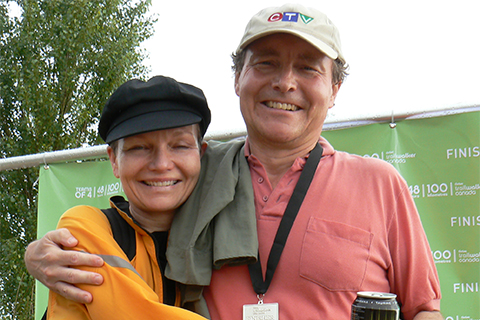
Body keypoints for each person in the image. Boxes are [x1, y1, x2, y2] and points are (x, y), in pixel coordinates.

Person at [25, 4, 443, 319]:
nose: (285, 82)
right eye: (266, 64)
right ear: (237, 79)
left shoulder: (379, 184)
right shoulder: (193, 176)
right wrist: (42, 254)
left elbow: (424, 309)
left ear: (334, 90)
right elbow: (131, 232)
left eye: (308, 68)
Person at [43, 75, 212, 319]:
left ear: (201, 154)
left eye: (180, 145)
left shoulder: (224, 240)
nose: (161, 164)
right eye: (139, 148)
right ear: (114, 160)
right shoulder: (82, 228)